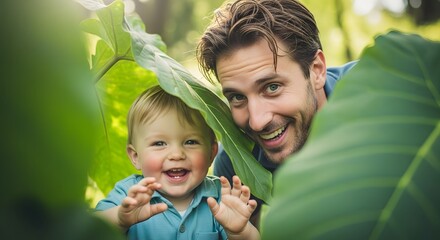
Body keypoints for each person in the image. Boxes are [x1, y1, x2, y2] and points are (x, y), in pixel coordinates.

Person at [196, 0, 357, 227]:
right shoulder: (237, 163)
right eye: (237, 97)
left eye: (272, 87)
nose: (257, 121)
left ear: (316, 70)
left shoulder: (388, 92)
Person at [95, 85, 260, 240]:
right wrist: (119, 219)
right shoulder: (129, 195)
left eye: (190, 142)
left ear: (212, 153)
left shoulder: (219, 197)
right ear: (135, 156)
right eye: (159, 143)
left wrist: (239, 231)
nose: (176, 154)